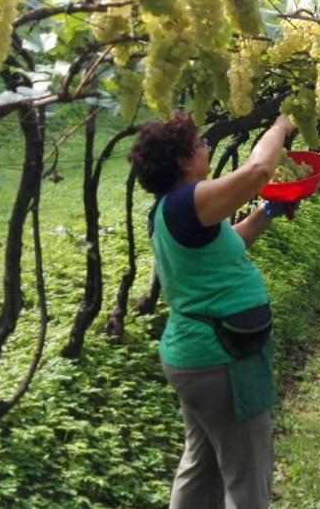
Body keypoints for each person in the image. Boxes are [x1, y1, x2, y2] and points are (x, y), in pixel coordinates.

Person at [129, 111, 297, 509]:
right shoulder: (189, 202)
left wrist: (269, 211)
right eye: (201, 144)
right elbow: (258, 170)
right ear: (184, 161)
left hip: (195, 357)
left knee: (201, 465)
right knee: (247, 474)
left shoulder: (173, 211)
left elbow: (232, 242)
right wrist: (279, 126)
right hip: (222, 357)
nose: (208, 147)